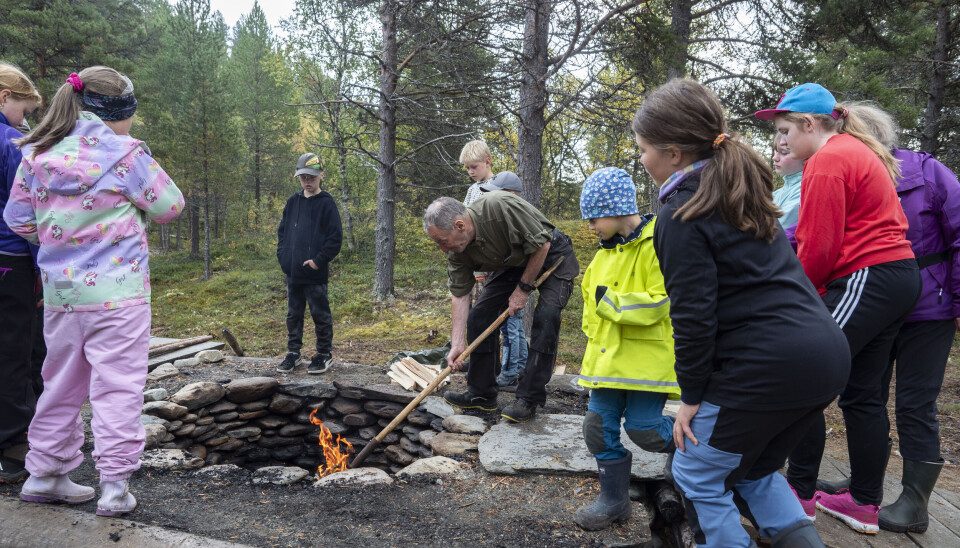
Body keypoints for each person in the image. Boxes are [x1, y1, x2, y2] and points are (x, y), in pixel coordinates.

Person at [639, 78, 849, 547]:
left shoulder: (682, 211)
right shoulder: (737, 191)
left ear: (673, 153)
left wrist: (691, 398)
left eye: (644, 149)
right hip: (825, 354)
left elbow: (693, 316)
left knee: (696, 473)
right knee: (752, 470)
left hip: (766, 364)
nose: (643, 159)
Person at [4, 66, 184, 516]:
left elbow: (17, 220)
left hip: (62, 295)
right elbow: (170, 207)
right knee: (118, 388)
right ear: (119, 113)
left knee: (58, 384)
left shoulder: (37, 153)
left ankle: (45, 474)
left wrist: (59, 240)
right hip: (118, 295)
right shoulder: (126, 154)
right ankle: (115, 487)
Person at [757, 83, 922, 534]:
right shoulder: (850, 149)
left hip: (868, 276)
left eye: (785, 130)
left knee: (803, 373)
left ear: (809, 124)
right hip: (896, 277)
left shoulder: (827, 161)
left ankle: (800, 494)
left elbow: (819, 248)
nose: (782, 141)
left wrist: (796, 301)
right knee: (863, 394)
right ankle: (864, 502)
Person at [812, 102, 958, 534]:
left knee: (915, 403)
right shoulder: (845, 170)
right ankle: (863, 484)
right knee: (862, 393)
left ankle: (914, 501)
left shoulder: (928, 172)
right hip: (872, 304)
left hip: (928, 308)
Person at [573, 166, 679, 531]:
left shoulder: (658, 242)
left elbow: (661, 302)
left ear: (615, 208)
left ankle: (695, 451)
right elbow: (590, 313)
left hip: (646, 362)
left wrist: (612, 304)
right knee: (596, 428)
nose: (589, 227)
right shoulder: (602, 256)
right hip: (606, 365)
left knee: (646, 431)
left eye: (593, 218)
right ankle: (614, 501)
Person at [423, 193, 580, 423]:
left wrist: (523, 289)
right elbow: (459, 294)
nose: (441, 248)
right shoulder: (456, 251)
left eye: (442, 241)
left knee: (546, 317)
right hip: (515, 262)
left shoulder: (499, 208)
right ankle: (482, 394)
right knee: (479, 317)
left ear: (460, 225)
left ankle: (529, 398)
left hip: (551, 254)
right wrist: (457, 344)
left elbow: (542, 244)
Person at [0, 62, 41, 484]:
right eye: (24, 110)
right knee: (16, 349)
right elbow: (24, 209)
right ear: (4, 97)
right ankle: (13, 446)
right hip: (10, 258)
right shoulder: (12, 142)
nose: (25, 122)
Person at [276, 152, 343, 374]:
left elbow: (335, 239)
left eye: (312, 177)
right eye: (303, 176)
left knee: (320, 314)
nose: (307, 181)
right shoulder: (293, 202)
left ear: (321, 175)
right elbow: (283, 232)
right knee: (293, 315)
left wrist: (317, 261)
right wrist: (283, 258)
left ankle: (323, 354)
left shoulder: (327, 204)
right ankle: (293, 353)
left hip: (314, 273)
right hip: (293, 273)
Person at [477, 171, 529, 389]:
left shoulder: (516, 216)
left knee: (509, 326)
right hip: (507, 275)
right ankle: (521, 368)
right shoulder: (505, 215)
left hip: (512, 277)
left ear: (509, 195)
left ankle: (509, 372)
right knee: (514, 325)